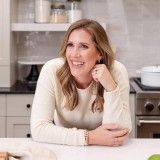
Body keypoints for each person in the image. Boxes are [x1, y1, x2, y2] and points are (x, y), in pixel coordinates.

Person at [30, 19, 132, 146]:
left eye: (83, 46)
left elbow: (118, 133)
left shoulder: (116, 71)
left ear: (100, 53)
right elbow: (38, 129)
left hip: (104, 151)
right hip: (64, 148)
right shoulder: (51, 70)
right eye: (70, 45)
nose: (74, 54)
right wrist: (90, 137)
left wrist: (110, 87)